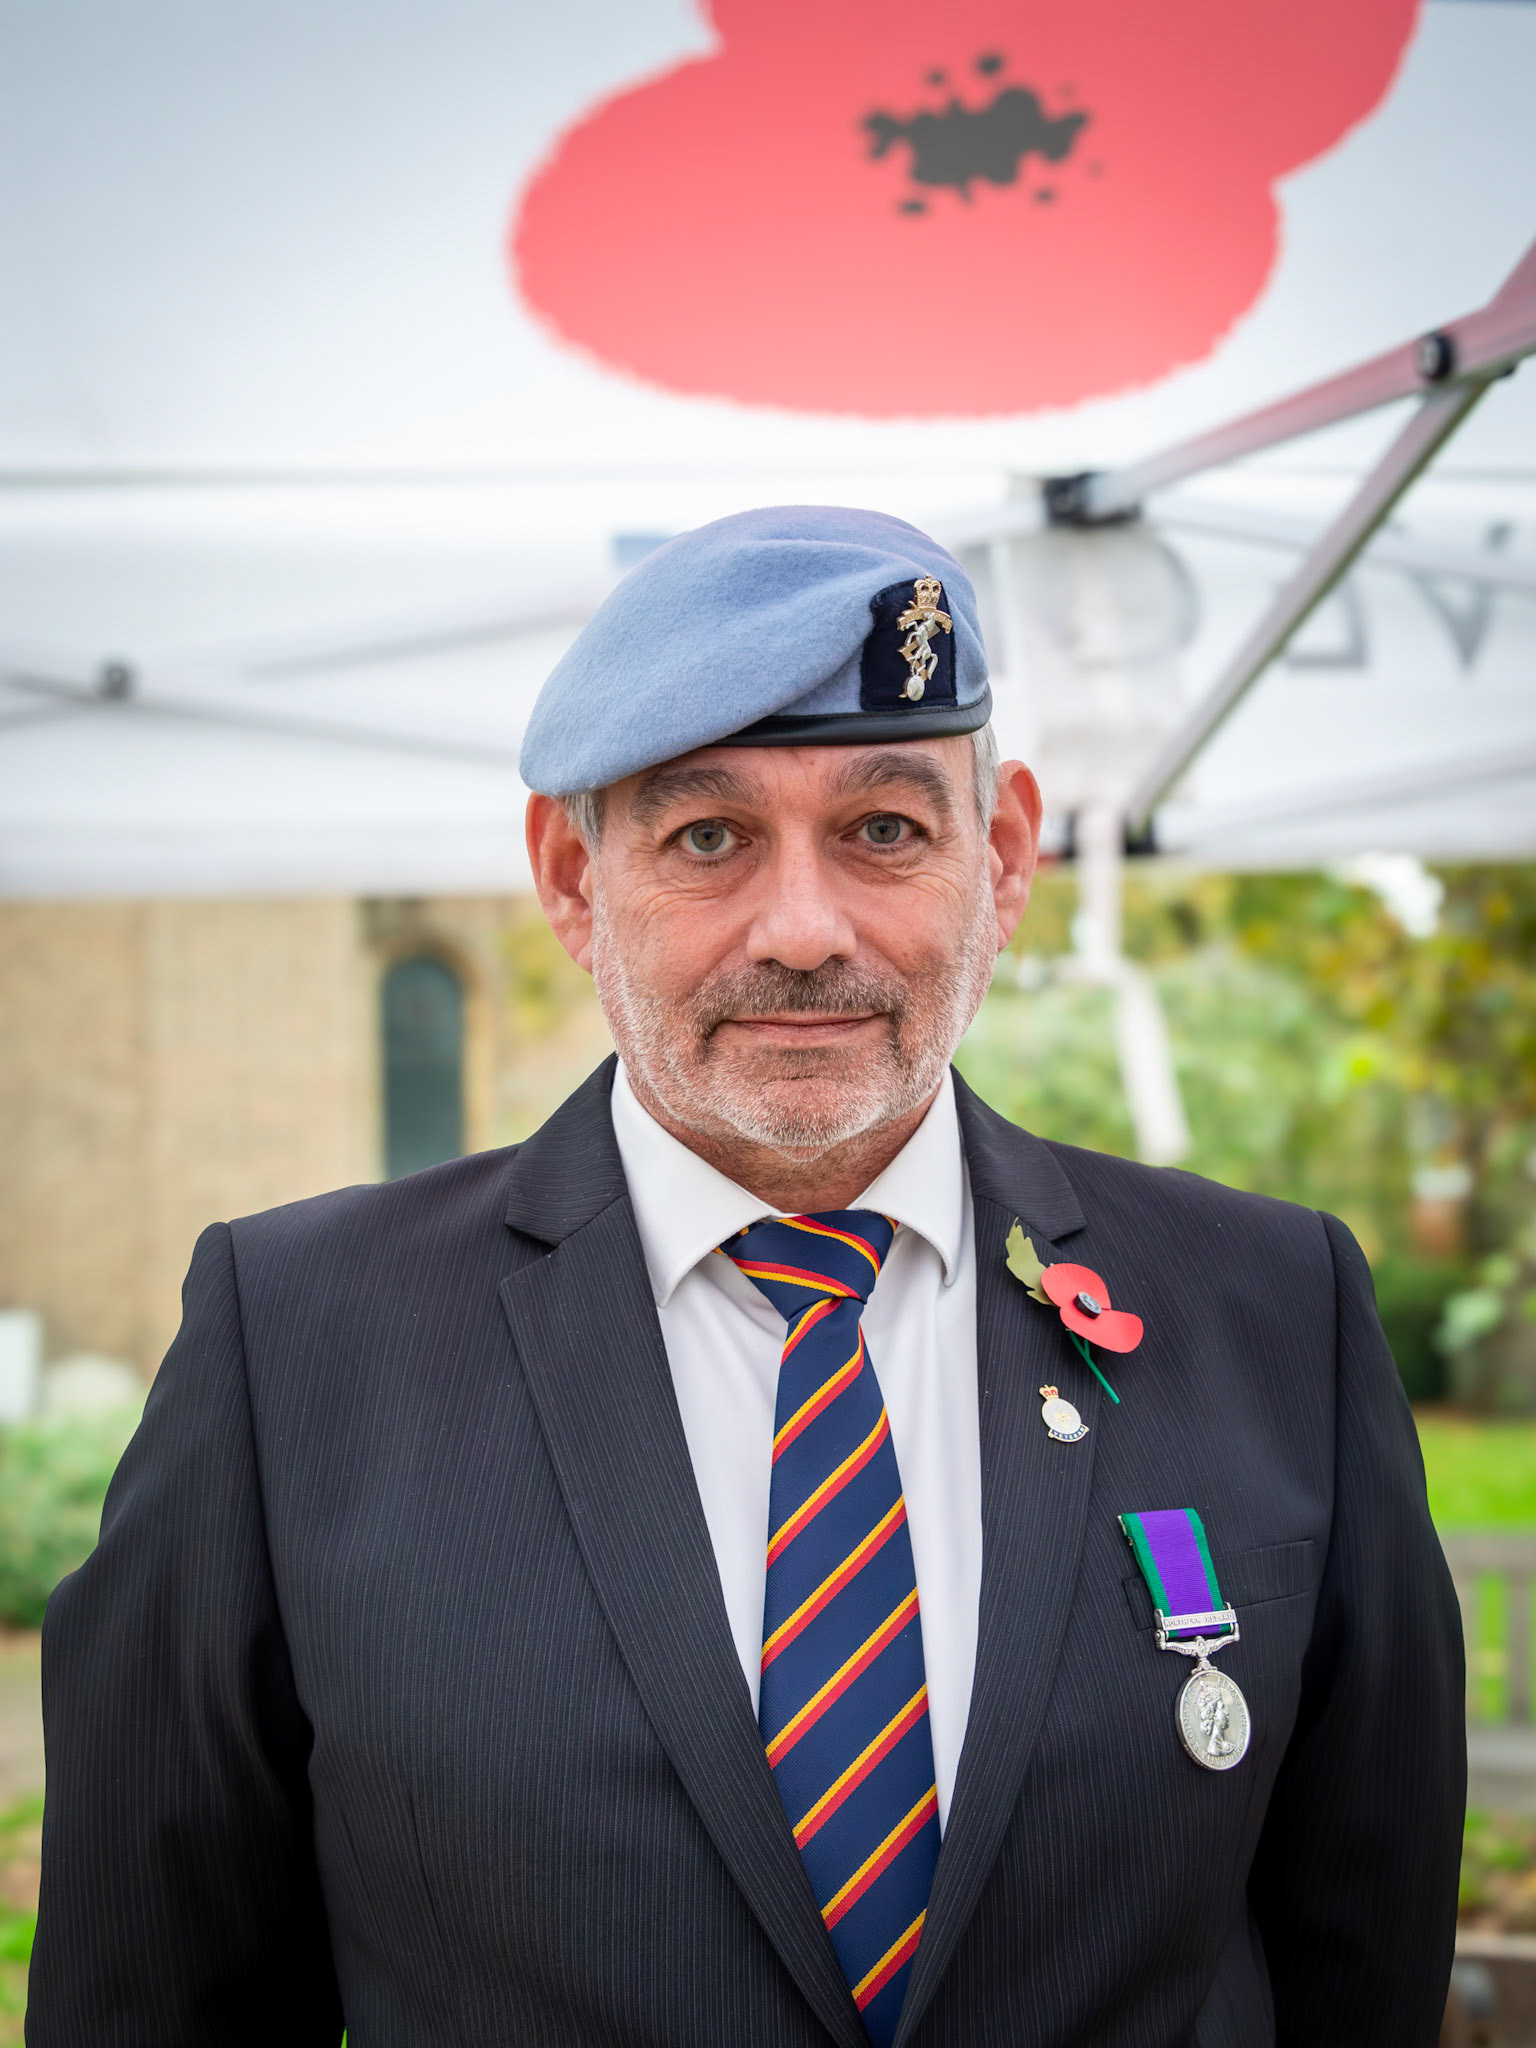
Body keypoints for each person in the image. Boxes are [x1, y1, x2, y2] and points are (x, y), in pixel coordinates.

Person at [29, 506, 1464, 2047]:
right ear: (574, 879)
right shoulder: (297, 1343)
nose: (801, 930)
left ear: (1001, 858)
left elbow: (1359, 1955)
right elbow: (150, 1996)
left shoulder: (1271, 1307)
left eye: (886, 831)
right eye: (708, 838)